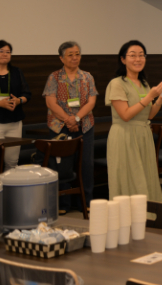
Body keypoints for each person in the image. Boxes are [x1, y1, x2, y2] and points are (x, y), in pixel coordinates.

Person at [105, 40, 162, 201]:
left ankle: (149, 211)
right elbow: (126, 115)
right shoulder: (117, 83)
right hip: (124, 135)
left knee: (146, 176)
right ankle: (128, 213)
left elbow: (149, 115)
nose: (138, 59)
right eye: (133, 55)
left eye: (141, 55)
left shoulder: (144, 84)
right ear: (123, 59)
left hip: (143, 135)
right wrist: (149, 97)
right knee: (129, 178)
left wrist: (161, 98)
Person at [43, 41, 98, 214]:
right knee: (62, 165)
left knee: (86, 164)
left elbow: (91, 101)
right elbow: (50, 102)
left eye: (77, 54)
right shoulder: (54, 77)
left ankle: (86, 202)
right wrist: (68, 120)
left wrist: (76, 118)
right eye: (70, 55)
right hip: (59, 126)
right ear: (61, 58)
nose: (75, 58)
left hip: (85, 125)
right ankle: (63, 204)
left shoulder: (87, 77)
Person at [0, 40, 31, 170]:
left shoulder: (16, 72)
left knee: (12, 161)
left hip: (14, 123)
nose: (5, 54)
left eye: (8, 52)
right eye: (1, 51)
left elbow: (27, 94)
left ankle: (9, 184)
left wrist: (18, 101)